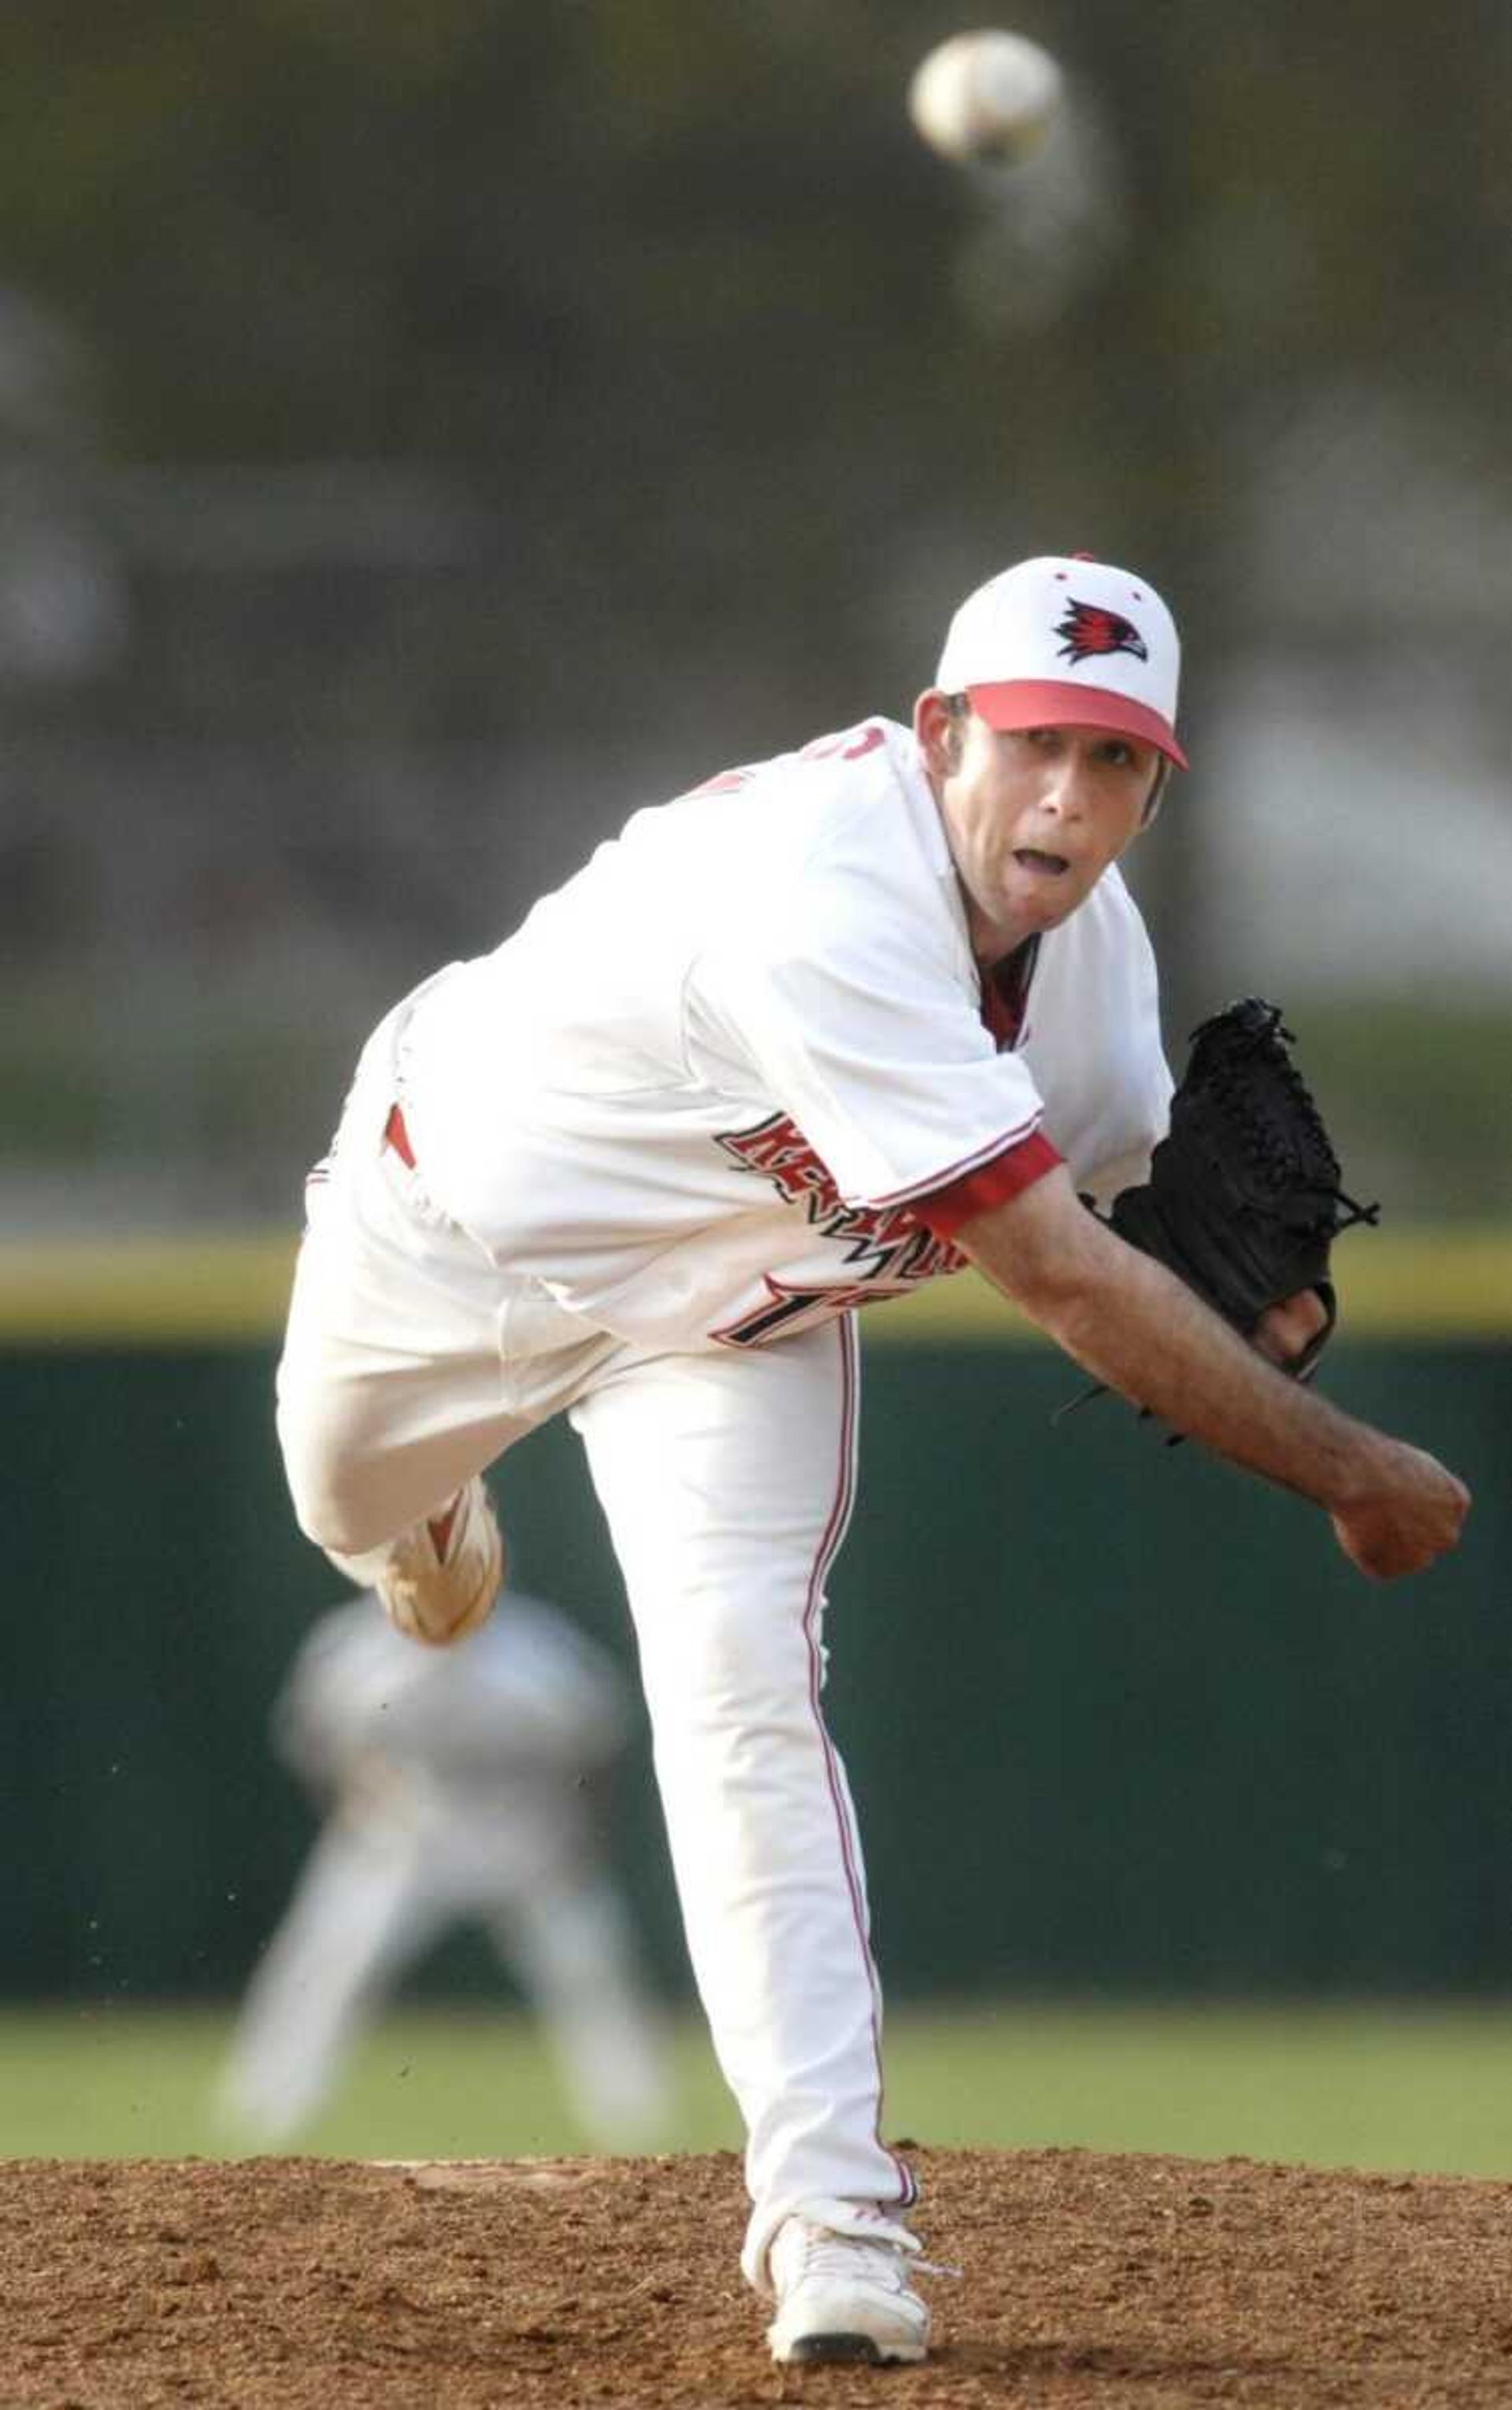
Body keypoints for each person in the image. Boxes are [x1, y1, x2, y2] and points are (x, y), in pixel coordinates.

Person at [275, 554, 1469, 2365]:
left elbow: (1154, 1224)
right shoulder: (818, 899)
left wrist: (1274, 1328)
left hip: (733, 1326)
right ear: (937, 737)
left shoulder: (1096, 989)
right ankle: (427, 1516)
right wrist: (1353, 1469)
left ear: (1160, 787)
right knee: (341, 1503)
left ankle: (828, 2216)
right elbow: (1068, 1279)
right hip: (454, 1240)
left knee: (745, 1693)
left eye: (1119, 761)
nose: (1069, 797)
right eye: (1036, 744)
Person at [217, 1585, 671, 2152]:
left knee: (590, 1969)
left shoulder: (534, 1653)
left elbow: (599, 1748)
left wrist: (583, 1837)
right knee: (325, 1963)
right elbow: (316, 1744)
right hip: (407, 1839)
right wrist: (355, 1815)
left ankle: (637, 2126)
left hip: (523, 1838)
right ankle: (261, 2115)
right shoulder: (358, 1651)